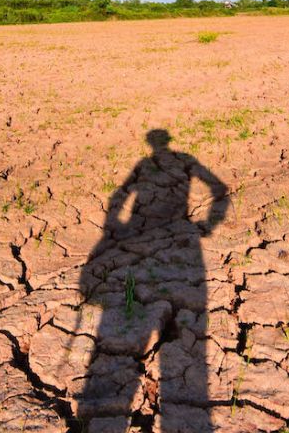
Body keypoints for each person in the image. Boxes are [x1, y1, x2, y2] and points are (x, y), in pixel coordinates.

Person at [75, 129, 230, 430]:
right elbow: (218, 189)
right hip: (178, 243)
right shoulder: (182, 159)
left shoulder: (153, 163)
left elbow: (118, 198)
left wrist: (113, 226)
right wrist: (208, 225)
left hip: (167, 242)